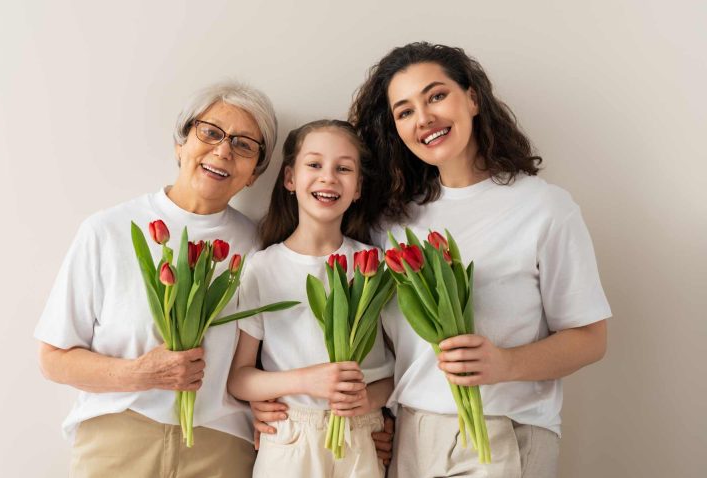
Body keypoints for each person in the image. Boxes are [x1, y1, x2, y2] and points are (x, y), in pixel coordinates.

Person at [348, 42, 610, 477]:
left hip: (503, 432)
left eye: (435, 96)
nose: (425, 118)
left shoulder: (542, 207)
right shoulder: (390, 223)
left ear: (472, 98)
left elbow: (590, 337)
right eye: (405, 111)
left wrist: (504, 363)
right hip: (412, 437)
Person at [35, 81, 278, 478]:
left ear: (254, 174)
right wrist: (142, 373)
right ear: (180, 143)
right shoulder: (108, 230)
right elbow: (53, 359)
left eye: (244, 145)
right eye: (211, 132)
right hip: (117, 438)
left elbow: (271, 359)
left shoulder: (259, 249)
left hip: (220, 446)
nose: (223, 151)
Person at [227, 120, 394, 478]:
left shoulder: (378, 266)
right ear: (290, 178)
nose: (328, 178)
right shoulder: (262, 267)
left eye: (344, 168)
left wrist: (369, 399)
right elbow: (240, 378)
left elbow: (402, 369)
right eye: (315, 165)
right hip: (289, 435)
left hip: (362, 434)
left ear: (358, 187)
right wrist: (305, 381)